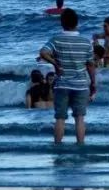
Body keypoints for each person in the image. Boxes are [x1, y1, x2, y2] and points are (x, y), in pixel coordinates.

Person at [39, 8, 96, 145]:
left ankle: (57, 146)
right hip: (81, 85)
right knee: (80, 118)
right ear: (77, 23)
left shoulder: (56, 40)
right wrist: (93, 83)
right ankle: (80, 146)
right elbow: (90, 65)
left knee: (60, 118)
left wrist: (55, 64)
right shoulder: (86, 42)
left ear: (62, 23)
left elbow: (43, 52)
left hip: (62, 84)